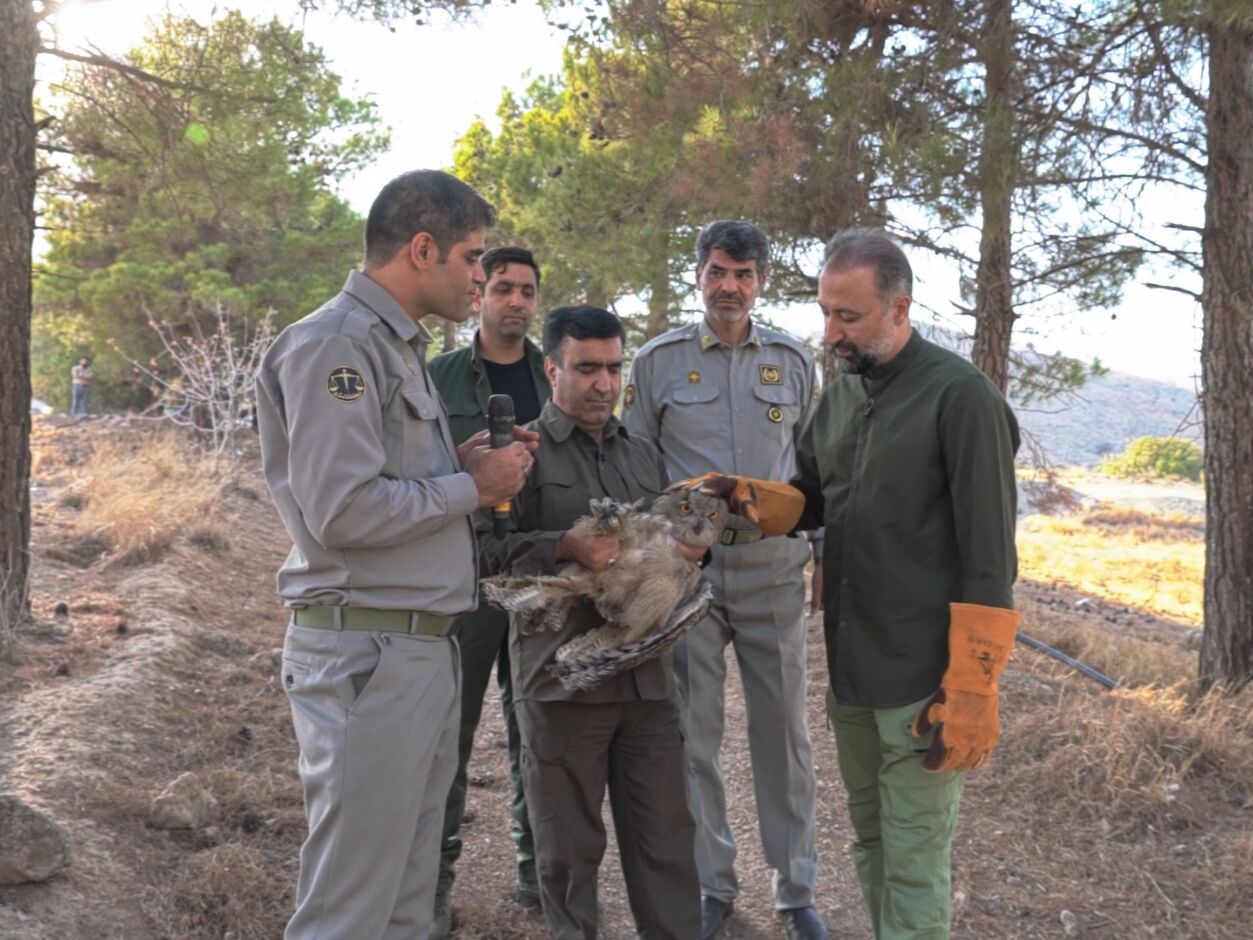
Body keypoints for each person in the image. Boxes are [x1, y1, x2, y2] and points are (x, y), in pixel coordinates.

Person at [254, 169, 537, 940]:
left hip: (412, 652)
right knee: (349, 911)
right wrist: (469, 488)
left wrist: (461, 467)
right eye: (473, 257)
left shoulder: (394, 347)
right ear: (422, 248)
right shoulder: (336, 345)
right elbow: (341, 511)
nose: (481, 276)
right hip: (368, 656)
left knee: (406, 908)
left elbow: (394, 487)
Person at [792, 228, 1021, 939]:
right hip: (852, 678)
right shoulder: (838, 398)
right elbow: (806, 503)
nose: (830, 332)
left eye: (848, 316)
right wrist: (731, 511)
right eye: (825, 311)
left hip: (925, 688)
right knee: (871, 847)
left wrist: (974, 688)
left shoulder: (961, 398)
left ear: (899, 308)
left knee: (915, 866)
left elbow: (990, 560)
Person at [623, 220, 827, 940]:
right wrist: (662, 553)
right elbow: (637, 469)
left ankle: (795, 890)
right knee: (692, 733)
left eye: (743, 274)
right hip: (691, 573)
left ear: (762, 280)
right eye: (716, 272)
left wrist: (820, 554)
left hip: (773, 568)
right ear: (698, 276)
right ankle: (712, 885)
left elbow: (812, 471)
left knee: (783, 733)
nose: (729, 287)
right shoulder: (657, 362)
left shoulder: (795, 361)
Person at [481, 305, 702, 940]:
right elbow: (482, 558)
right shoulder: (515, 455)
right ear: (551, 368)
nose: (604, 383)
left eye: (613, 367)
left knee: (666, 848)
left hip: (649, 687)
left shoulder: (644, 456)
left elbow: (669, 548)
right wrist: (564, 547)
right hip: (561, 684)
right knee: (569, 856)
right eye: (586, 368)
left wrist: (683, 554)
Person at [427, 246, 550, 934]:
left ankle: (539, 873)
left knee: (536, 729)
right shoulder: (436, 377)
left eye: (526, 290)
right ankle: (436, 881)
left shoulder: (550, 373)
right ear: (480, 295)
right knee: (451, 733)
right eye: (502, 287)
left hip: (538, 577)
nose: (514, 300)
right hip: (465, 575)